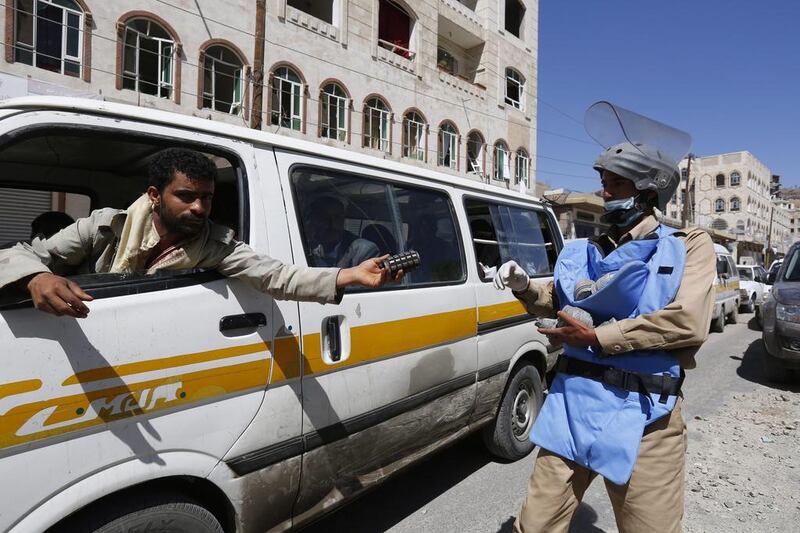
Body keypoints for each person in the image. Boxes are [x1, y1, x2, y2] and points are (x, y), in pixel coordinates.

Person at [494, 102, 716, 533]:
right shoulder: (587, 248)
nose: (604, 192)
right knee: (533, 526)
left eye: (616, 184)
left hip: (647, 416)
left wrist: (597, 337)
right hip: (572, 404)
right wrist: (525, 288)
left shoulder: (687, 246)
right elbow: (559, 300)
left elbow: (687, 321)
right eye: (603, 183)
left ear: (648, 192)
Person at [0, 148, 401, 318]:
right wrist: (38, 277)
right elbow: (24, 252)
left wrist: (353, 275)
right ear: (155, 195)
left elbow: (279, 276)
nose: (199, 208)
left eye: (206, 198)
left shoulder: (216, 245)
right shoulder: (104, 225)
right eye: (187, 196)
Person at [304, 194, 380, 268]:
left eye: (337, 217)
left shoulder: (363, 251)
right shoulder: (308, 245)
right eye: (324, 217)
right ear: (314, 221)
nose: (332, 223)